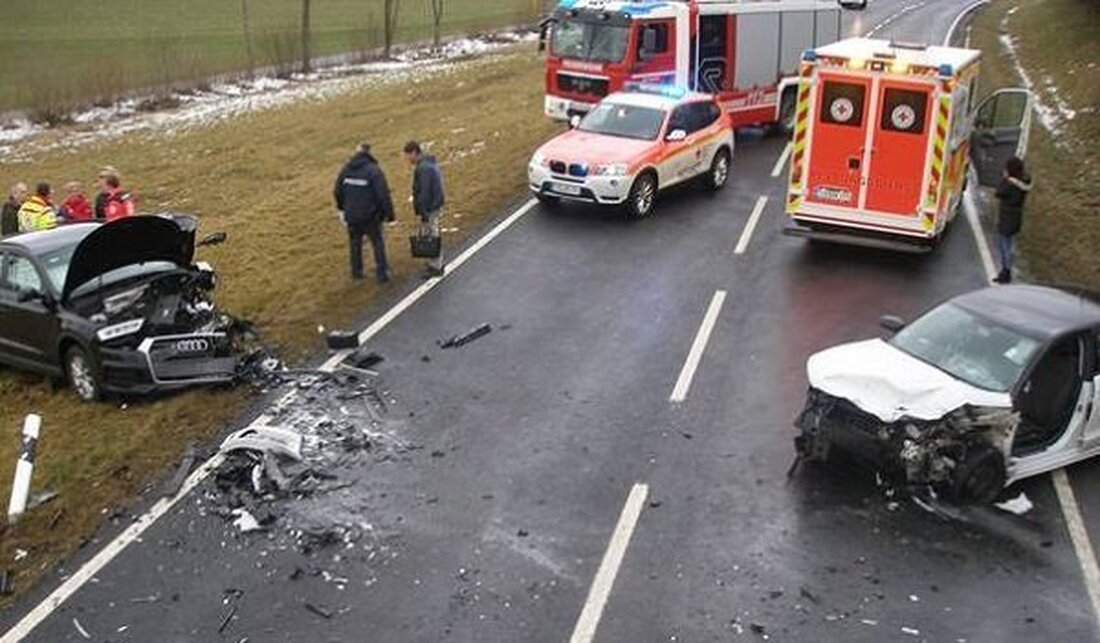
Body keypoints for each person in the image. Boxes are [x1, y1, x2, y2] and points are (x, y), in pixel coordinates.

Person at [334, 143, 395, 283]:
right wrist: (389, 215)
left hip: (351, 215)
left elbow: (337, 191)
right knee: (377, 242)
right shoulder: (374, 170)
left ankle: (356, 272)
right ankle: (382, 273)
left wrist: (342, 208)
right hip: (370, 216)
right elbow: (383, 195)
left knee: (355, 243)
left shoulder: (345, 169)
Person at [404, 140, 446, 278]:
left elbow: (424, 192)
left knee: (431, 235)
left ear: (414, 152)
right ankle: (435, 263)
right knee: (431, 232)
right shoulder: (428, 164)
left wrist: (423, 211)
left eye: (408, 155)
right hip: (434, 203)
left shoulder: (423, 168)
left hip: (430, 206)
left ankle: (436, 266)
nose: (407, 159)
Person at [993, 156, 1032, 284]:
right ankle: (1006, 271)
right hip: (1016, 217)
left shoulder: (1010, 184)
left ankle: (1006, 272)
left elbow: (998, 193)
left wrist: (1005, 179)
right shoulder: (1024, 182)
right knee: (1009, 244)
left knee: (1004, 245)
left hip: (1007, 217)